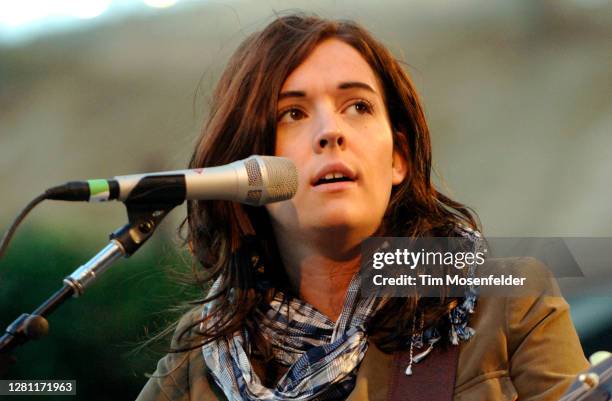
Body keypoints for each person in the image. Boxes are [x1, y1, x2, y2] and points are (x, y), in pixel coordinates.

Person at [136, 14, 588, 401]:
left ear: (398, 158)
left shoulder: (505, 302)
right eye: (291, 113)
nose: (331, 131)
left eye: (357, 106)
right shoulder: (200, 359)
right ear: (247, 174)